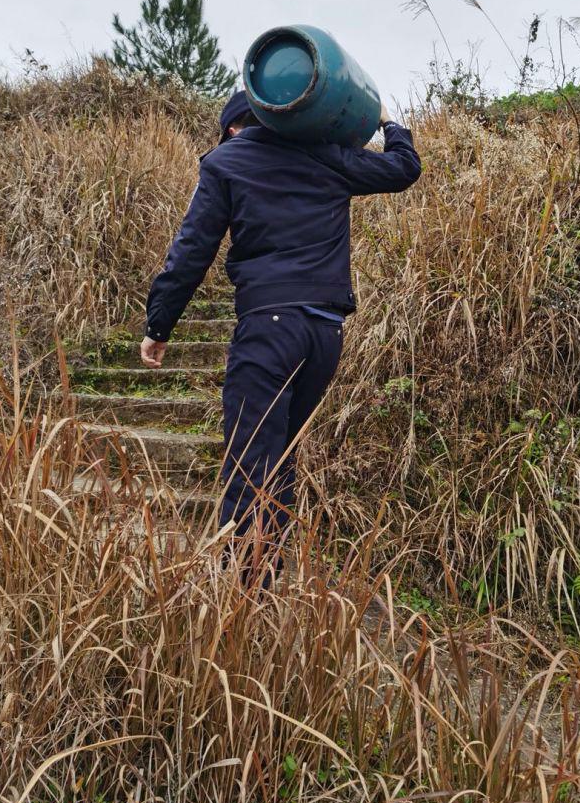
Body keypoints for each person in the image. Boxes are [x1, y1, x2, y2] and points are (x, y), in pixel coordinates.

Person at [141, 88, 421, 579]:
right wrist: (388, 120)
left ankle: (244, 596)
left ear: (232, 128)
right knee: (281, 457)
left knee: (252, 461)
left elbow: (191, 251)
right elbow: (403, 169)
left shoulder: (227, 162)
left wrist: (159, 325)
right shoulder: (326, 155)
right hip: (325, 335)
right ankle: (266, 579)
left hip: (270, 328)